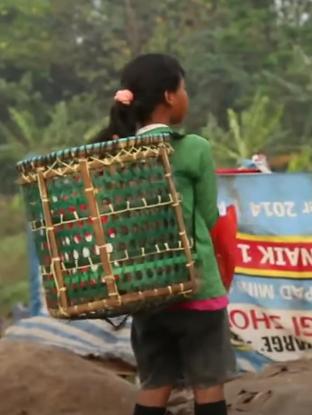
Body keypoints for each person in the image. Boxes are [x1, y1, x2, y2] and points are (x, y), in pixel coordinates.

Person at [92, 53, 234, 415]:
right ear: (170, 97)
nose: (187, 96)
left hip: (146, 291)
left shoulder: (112, 156)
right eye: (184, 89)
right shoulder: (193, 148)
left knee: (155, 386)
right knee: (208, 384)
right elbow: (206, 216)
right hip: (196, 286)